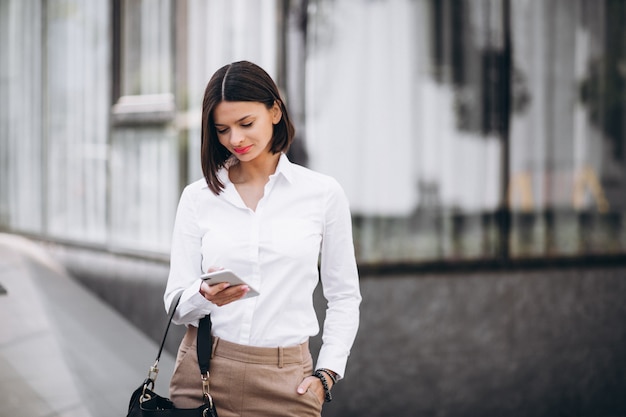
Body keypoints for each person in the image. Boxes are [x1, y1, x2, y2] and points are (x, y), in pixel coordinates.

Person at [163, 60, 361, 417]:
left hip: (287, 381)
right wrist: (204, 295)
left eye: (245, 123)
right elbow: (176, 305)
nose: (235, 140)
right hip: (204, 373)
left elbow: (344, 295)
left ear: (274, 111)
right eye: (222, 129)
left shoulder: (322, 194)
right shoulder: (198, 198)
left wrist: (327, 374)